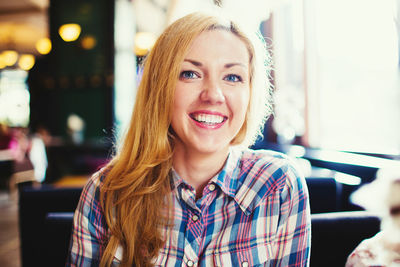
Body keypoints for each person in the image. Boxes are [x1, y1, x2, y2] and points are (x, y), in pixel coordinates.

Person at [67, 11, 311, 267]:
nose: (213, 95)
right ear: (160, 87)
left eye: (232, 77)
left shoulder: (279, 186)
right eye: (190, 74)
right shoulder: (105, 192)